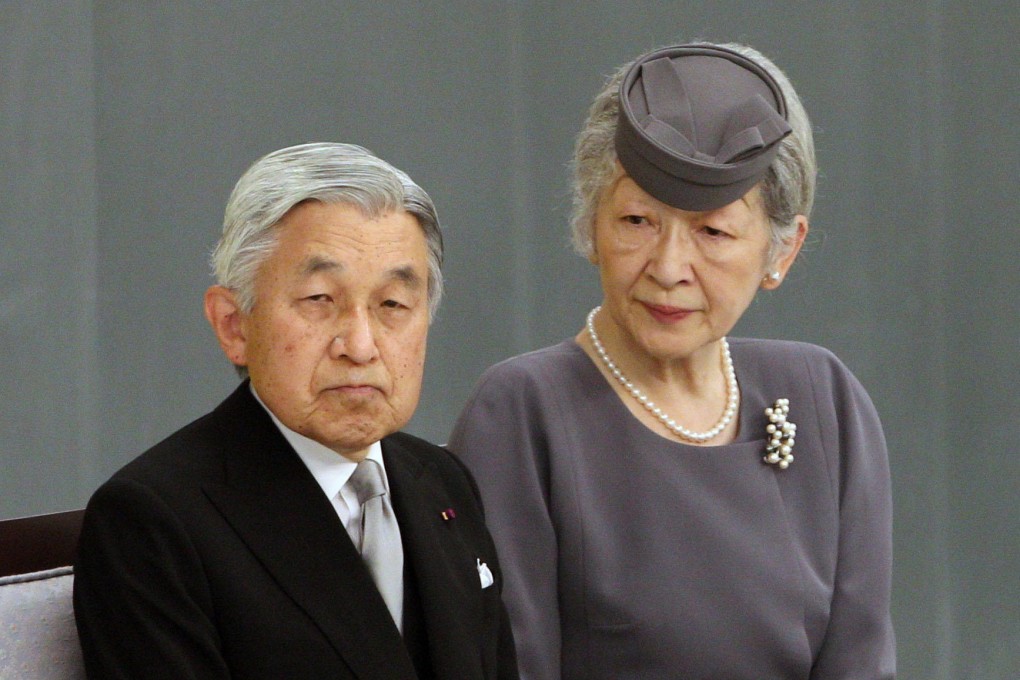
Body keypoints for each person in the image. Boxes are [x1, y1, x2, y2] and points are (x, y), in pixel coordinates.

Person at [448, 43, 895, 679]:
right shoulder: (523, 413)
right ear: (590, 222)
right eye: (637, 220)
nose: (667, 269)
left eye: (712, 232)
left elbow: (861, 663)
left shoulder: (823, 399)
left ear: (782, 249)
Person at [74, 142, 518, 679]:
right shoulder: (153, 523)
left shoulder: (443, 483)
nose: (360, 344)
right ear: (234, 325)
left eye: (393, 305)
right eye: (319, 300)